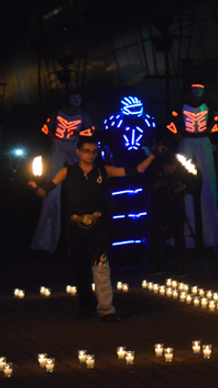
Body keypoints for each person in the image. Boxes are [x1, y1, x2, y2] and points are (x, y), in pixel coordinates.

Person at [28, 136, 162, 322]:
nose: (90, 155)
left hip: (98, 225)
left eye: (93, 151)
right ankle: (87, 308)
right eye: (86, 151)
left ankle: (106, 309)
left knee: (101, 266)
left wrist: (153, 155)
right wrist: (36, 187)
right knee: (80, 268)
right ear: (78, 152)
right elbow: (45, 191)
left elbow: (135, 170)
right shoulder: (67, 171)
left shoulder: (104, 170)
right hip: (75, 225)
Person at [31, 92, 95, 254]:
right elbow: (46, 129)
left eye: (79, 98)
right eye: (74, 98)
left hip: (74, 147)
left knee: (83, 187)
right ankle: (45, 242)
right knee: (52, 192)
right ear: (68, 99)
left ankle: (86, 241)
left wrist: (78, 135)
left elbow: (91, 131)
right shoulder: (58, 113)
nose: (77, 100)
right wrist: (52, 139)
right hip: (57, 146)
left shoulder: (83, 115)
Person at [166, 83, 218, 251]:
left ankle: (211, 234)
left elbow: (216, 120)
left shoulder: (209, 106)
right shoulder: (182, 105)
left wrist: (211, 130)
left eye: (200, 89)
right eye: (194, 89)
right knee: (182, 171)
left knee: (209, 177)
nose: (197, 91)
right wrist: (176, 132)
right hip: (188, 138)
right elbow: (171, 121)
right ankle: (185, 234)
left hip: (202, 138)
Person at [143, 154, 196, 276]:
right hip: (157, 206)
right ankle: (158, 265)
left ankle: (181, 266)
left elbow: (193, 186)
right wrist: (156, 185)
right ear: (162, 165)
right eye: (167, 170)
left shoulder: (183, 171)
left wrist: (183, 187)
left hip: (176, 206)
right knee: (156, 236)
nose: (169, 172)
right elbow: (144, 186)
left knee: (178, 235)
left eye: (172, 170)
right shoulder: (153, 170)